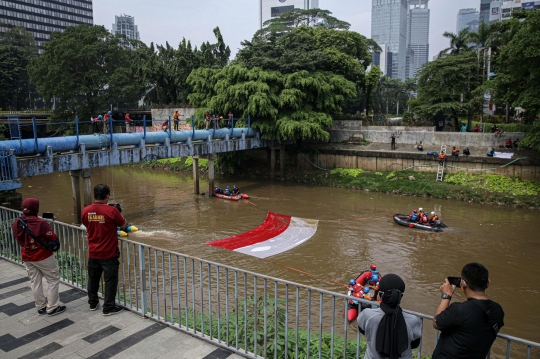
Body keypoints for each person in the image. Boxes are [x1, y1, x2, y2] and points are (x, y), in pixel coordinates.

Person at [432, 263, 504, 359]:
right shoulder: (498, 310)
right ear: (488, 283)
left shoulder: (459, 310)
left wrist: (447, 295)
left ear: (463, 283)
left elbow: (436, 322)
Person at [82, 184, 132, 316]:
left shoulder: (86, 210)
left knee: (93, 278)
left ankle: (93, 303)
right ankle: (109, 307)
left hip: (93, 252)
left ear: (95, 195)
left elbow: (87, 224)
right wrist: (119, 212)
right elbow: (124, 225)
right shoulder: (112, 211)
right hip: (108, 253)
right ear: (107, 196)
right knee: (110, 280)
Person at [11, 198, 66, 316]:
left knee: (35, 281)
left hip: (27, 256)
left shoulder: (17, 222)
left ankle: (41, 306)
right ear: (36, 208)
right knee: (53, 279)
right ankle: (52, 307)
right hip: (43, 256)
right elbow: (53, 237)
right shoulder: (40, 223)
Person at [358, 274, 422, 359]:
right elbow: (414, 345)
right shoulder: (413, 321)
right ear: (401, 296)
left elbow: (363, 331)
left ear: (380, 295)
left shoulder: (367, 315)